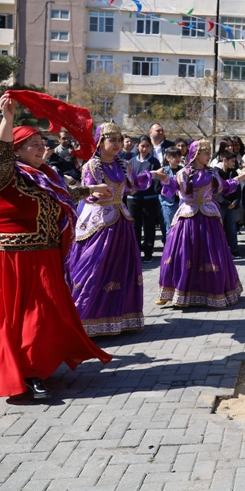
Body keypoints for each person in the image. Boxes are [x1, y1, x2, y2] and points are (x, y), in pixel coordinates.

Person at [0, 94, 112, 400]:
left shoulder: (46, 174)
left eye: (43, 143)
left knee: (45, 314)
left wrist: (91, 189)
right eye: (34, 144)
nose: (42, 148)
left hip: (44, 255)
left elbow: (63, 193)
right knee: (16, 317)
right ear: (16, 150)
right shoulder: (3, 174)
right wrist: (8, 119)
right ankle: (23, 373)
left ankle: (35, 366)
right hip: (10, 257)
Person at [68, 123, 167, 337]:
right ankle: (85, 318)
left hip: (121, 221)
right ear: (100, 142)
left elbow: (132, 185)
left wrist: (152, 175)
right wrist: (94, 194)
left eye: (118, 140)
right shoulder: (91, 166)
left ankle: (119, 318)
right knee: (94, 266)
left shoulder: (124, 164)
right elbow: (86, 193)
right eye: (111, 140)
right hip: (99, 223)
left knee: (122, 268)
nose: (116, 144)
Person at [156, 140, 245, 308]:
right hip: (188, 217)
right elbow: (172, 187)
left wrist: (239, 178)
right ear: (196, 155)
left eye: (208, 152)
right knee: (183, 253)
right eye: (205, 153)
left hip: (209, 216)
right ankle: (173, 290)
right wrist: (164, 179)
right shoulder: (184, 173)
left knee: (212, 252)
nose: (208, 156)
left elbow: (224, 187)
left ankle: (212, 291)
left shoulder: (212, 172)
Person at [127, 135, 162, 262]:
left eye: (147, 146)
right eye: (142, 145)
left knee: (149, 225)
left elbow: (157, 179)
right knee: (135, 226)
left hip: (149, 197)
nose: (144, 148)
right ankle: (135, 251)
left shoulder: (154, 162)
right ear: (137, 146)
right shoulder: (131, 162)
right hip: (133, 198)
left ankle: (148, 252)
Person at [217, 151, 242, 258]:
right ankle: (220, 251)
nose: (234, 163)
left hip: (232, 206)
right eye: (232, 161)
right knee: (219, 228)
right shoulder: (215, 173)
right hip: (221, 205)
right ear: (224, 160)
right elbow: (215, 192)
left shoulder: (234, 173)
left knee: (232, 228)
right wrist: (225, 203)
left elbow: (238, 188)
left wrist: (235, 202)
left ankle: (234, 250)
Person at [158, 147, 183, 237]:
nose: (177, 159)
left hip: (182, 203)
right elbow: (157, 188)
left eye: (179, 156)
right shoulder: (163, 171)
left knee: (181, 229)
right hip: (168, 204)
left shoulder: (183, 170)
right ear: (168, 158)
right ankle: (169, 249)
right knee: (170, 229)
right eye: (174, 156)